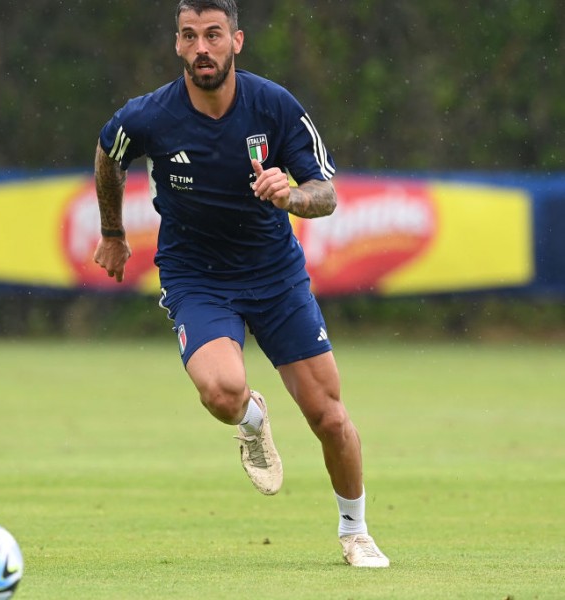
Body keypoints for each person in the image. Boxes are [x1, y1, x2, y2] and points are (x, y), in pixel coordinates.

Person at [92, 0, 390, 568]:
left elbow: (324, 193)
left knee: (328, 414)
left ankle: (355, 531)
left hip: (275, 277)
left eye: (213, 34)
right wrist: (112, 231)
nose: (201, 48)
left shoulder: (274, 106)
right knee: (223, 392)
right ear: (177, 45)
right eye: (189, 36)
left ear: (237, 40)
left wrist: (292, 195)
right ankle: (252, 420)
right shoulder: (150, 115)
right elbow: (109, 153)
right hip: (196, 277)